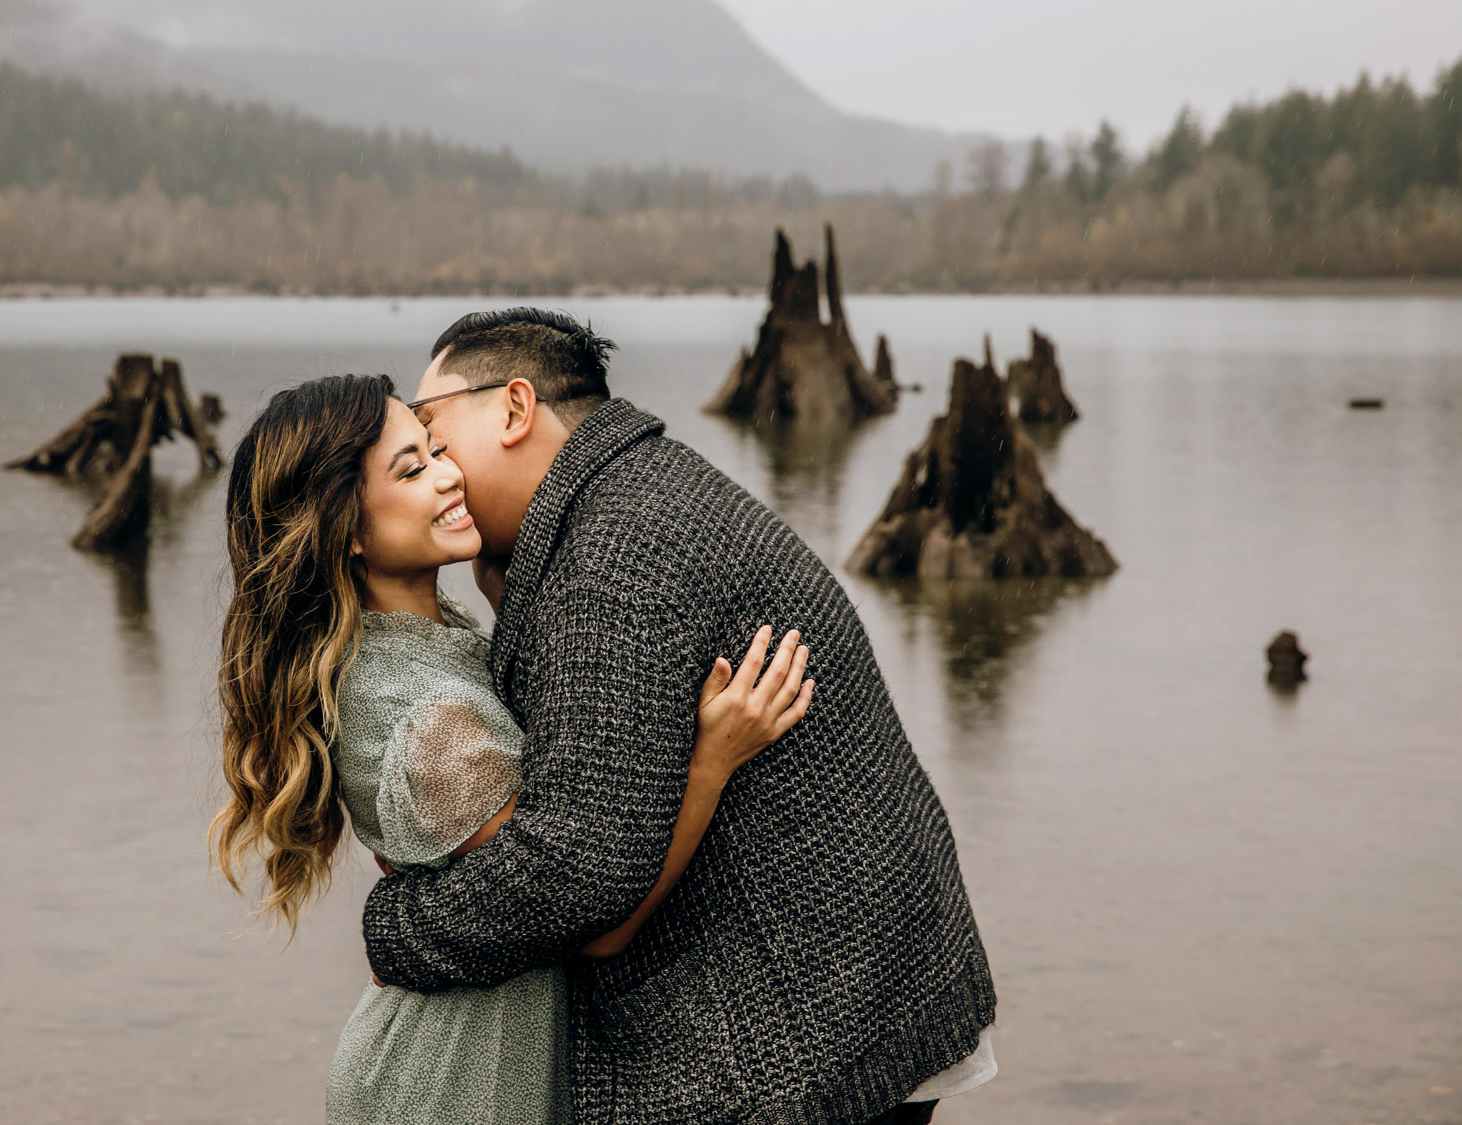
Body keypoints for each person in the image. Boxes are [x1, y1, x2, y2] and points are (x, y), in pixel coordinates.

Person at [361, 309, 998, 1125]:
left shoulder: (611, 558)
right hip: (876, 973)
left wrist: (398, 929)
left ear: (515, 408)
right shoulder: (635, 487)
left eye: (434, 435)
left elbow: (579, 872)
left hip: (818, 1027)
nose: (439, 472)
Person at [211, 373, 815, 1124]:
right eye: (412, 468)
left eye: (436, 448)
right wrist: (711, 760)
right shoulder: (434, 727)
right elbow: (597, 919)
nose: (448, 475)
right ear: (350, 531)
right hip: (452, 1090)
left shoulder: (412, 643)